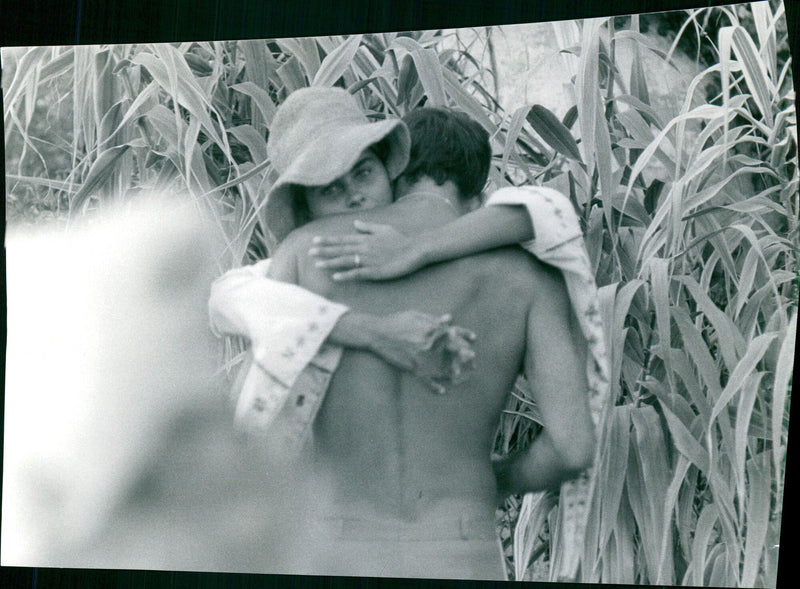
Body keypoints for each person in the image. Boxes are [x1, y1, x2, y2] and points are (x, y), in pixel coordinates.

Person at [209, 87, 610, 579]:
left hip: (336, 547)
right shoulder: (530, 278)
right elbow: (572, 447)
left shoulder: (303, 251)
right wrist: (491, 481)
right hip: (461, 546)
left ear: (396, 173)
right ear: (480, 198)